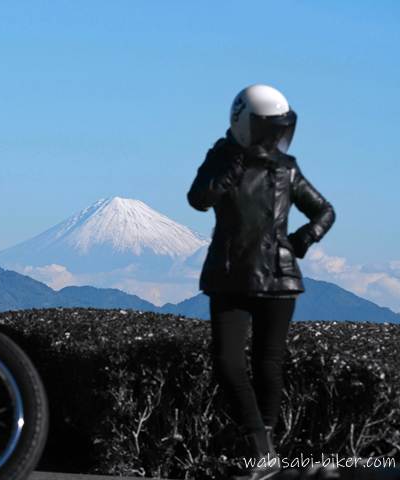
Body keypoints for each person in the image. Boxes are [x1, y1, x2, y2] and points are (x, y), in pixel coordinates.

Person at [186, 84, 335, 480]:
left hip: (275, 276)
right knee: (228, 362)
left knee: (268, 364)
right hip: (233, 275)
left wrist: (303, 238)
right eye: (267, 127)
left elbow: (324, 210)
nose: (272, 136)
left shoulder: (285, 168)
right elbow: (199, 198)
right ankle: (261, 450)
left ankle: (262, 456)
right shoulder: (221, 157)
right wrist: (230, 168)